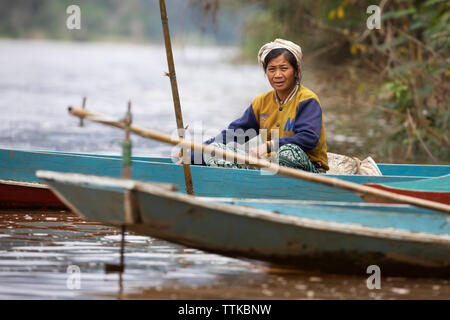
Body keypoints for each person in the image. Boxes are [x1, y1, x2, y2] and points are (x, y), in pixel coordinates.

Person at [185, 38, 329, 173]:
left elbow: (308, 138)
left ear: (296, 71)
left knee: (286, 153)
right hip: (270, 167)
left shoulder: (307, 99)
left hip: (309, 169)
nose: (277, 75)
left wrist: (267, 146)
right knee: (215, 149)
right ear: (266, 72)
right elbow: (233, 134)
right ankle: (249, 180)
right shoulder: (261, 102)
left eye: (284, 68)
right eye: (272, 69)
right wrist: (195, 152)